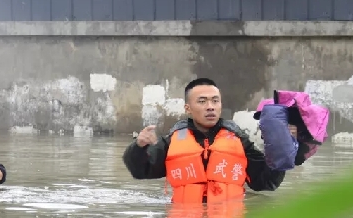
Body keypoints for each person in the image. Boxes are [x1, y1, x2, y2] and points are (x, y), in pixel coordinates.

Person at [123, 78, 308, 204]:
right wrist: (139, 146)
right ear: (188, 108)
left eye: (215, 101)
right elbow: (140, 171)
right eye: (202, 101)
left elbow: (265, 182)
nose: (210, 107)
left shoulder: (238, 139)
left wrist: (283, 147)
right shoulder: (173, 140)